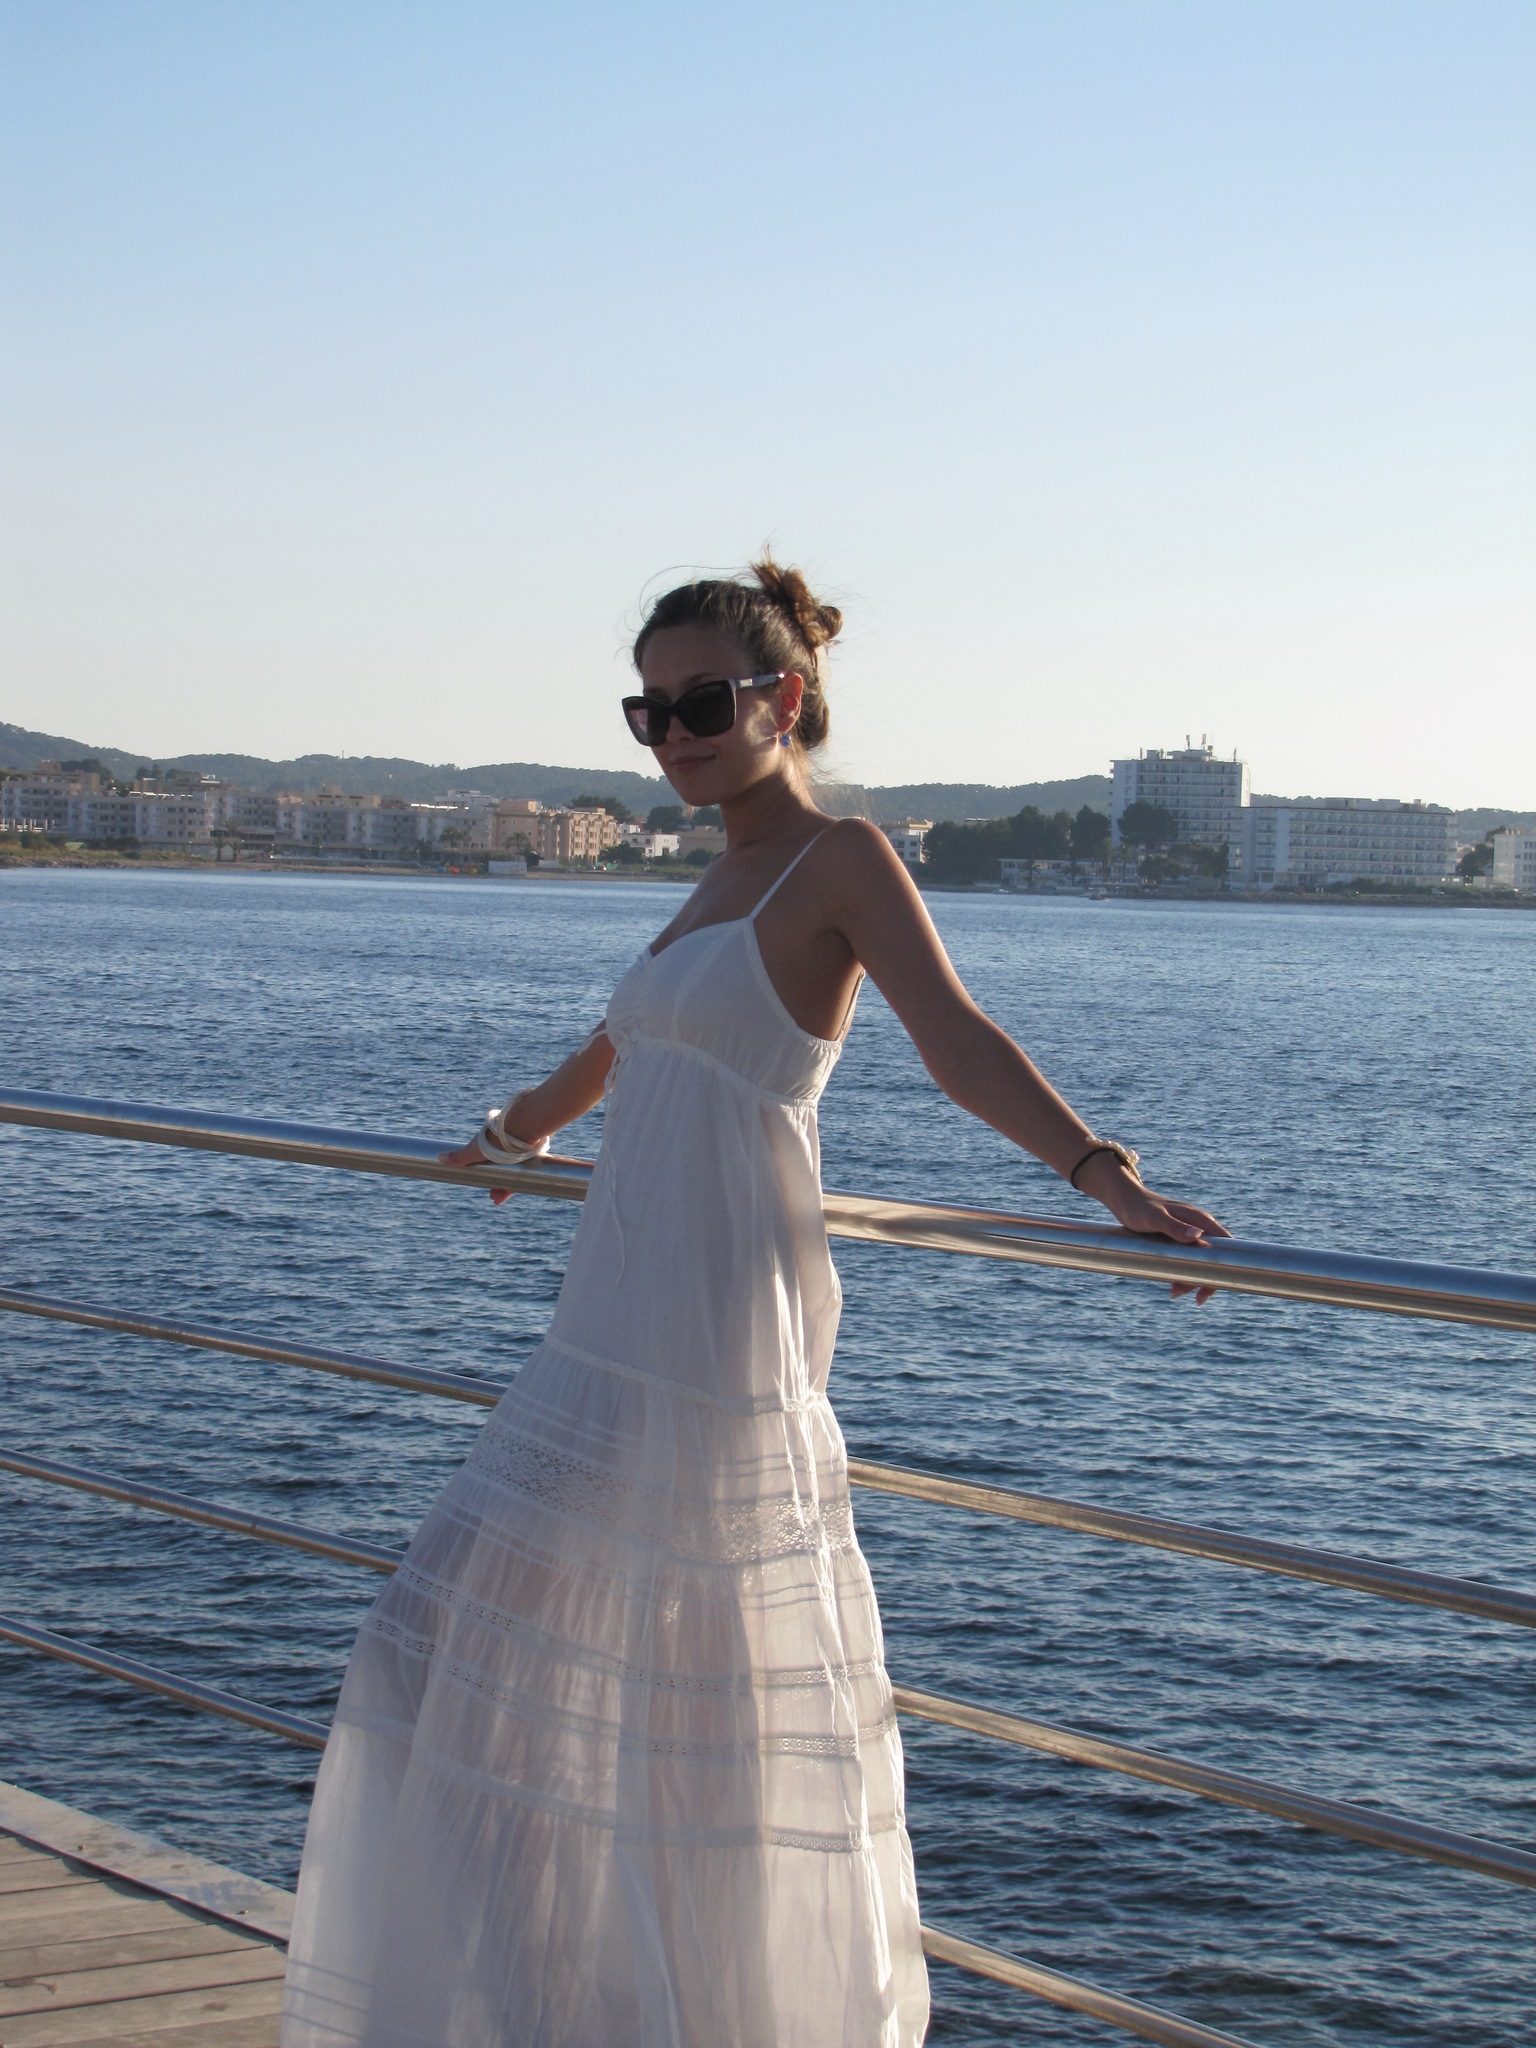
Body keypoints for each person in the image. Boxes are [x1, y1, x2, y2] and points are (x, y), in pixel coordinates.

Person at [281, 556, 1227, 2048]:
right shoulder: (713, 874)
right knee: (455, 1663)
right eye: (649, 712)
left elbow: (956, 1037)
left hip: (715, 1333)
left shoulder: (838, 859)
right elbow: (624, 1049)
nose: (674, 736)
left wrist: (1105, 1175)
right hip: (608, 1329)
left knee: (651, 1701)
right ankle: (555, 2013)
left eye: (703, 704)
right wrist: (515, 1134)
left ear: (784, 699)